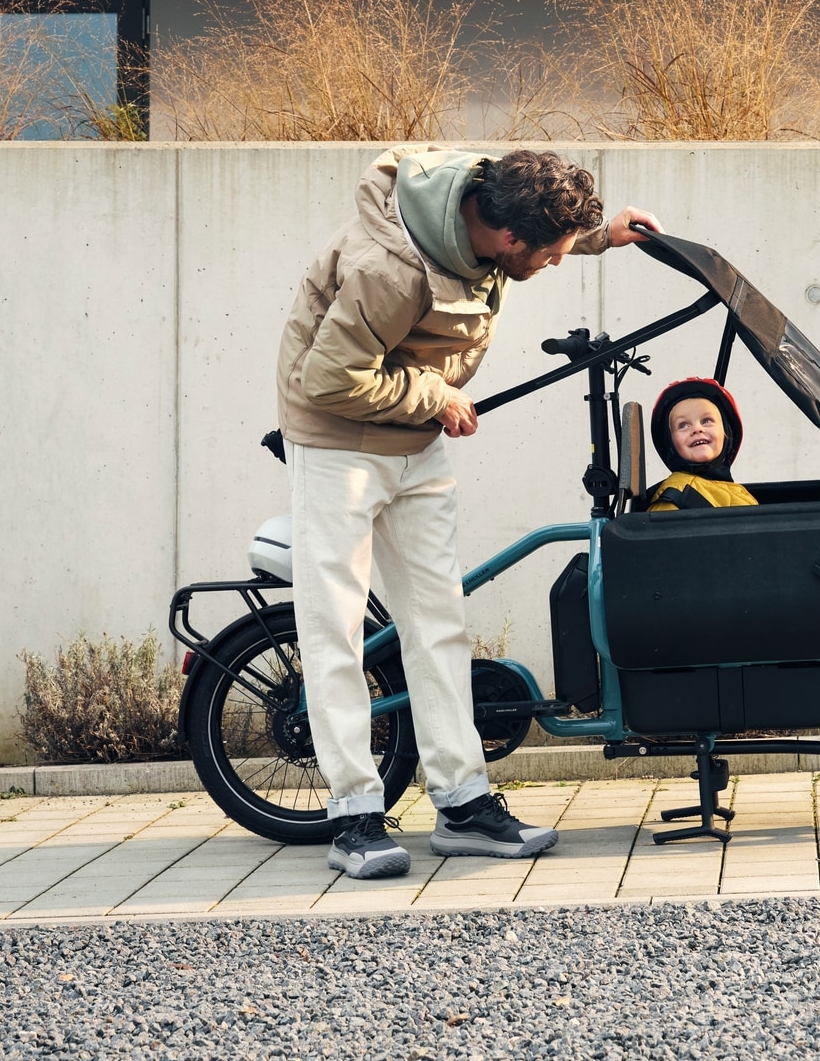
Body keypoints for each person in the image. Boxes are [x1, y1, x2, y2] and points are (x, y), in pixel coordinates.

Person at [277, 146, 661, 879]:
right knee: (336, 625)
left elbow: (542, 228)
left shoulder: (495, 198)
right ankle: (354, 814)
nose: (555, 262)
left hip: (414, 438)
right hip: (337, 442)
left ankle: (462, 803)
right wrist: (437, 397)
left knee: (438, 618)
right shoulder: (388, 268)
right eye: (550, 254)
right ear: (509, 241)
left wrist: (600, 236)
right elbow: (328, 377)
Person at [643, 378, 757, 512]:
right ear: (670, 444)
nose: (697, 429)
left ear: (727, 434)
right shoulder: (675, 497)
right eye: (683, 425)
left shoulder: (736, 491)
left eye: (706, 420)